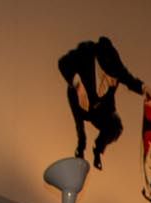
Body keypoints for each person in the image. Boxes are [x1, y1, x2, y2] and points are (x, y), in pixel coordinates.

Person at [56, 36, 142, 170]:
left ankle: (98, 149)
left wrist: (145, 89)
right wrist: (77, 84)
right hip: (81, 103)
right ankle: (81, 146)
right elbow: (63, 63)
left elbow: (130, 81)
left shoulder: (115, 66)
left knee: (115, 125)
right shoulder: (86, 52)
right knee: (80, 128)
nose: (113, 82)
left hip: (100, 109)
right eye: (110, 77)